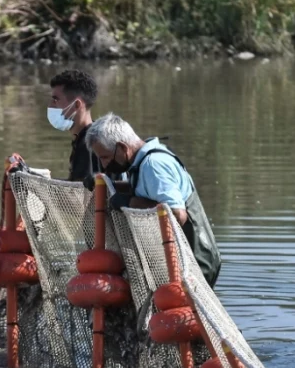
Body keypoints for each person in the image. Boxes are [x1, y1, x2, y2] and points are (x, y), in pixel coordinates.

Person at [84, 114, 222, 287]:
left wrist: (130, 203)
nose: (104, 165)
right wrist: (108, 184)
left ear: (121, 147)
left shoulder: (153, 165)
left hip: (195, 263)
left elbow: (177, 214)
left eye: (104, 157)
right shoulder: (141, 162)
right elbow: (148, 191)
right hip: (176, 260)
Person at [47, 69, 102, 182]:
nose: (50, 105)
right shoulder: (90, 135)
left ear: (76, 105)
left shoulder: (88, 144)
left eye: (56, 99)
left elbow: (78, 193)